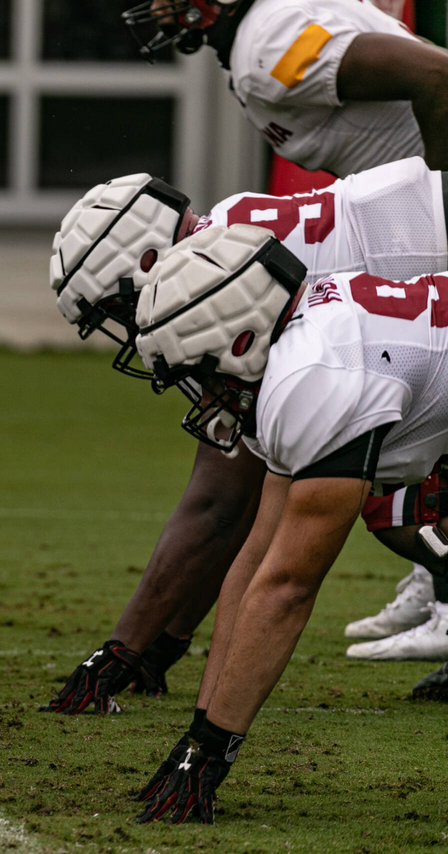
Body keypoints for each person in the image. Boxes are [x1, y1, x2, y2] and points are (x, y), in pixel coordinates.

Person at [45, 156, 448, 712]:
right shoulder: (230, 232)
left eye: (120, 306)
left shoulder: (231, 280)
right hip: (424, 277)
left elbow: (218, 510)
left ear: (149, 261)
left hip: (429, 261)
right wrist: (165, 640)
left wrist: (125, 650)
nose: (129, 327)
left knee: (400, 508)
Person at [132, 223, 448, 823]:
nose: (203, 397)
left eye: (201, 372)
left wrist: (212, 757)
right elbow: (254, 561)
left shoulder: (310, 376)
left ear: (241, 337)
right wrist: (198, 737)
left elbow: (288, 590)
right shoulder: (300, 348)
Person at [123, 0, 448, 174]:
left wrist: (437, 202)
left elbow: (437, 74)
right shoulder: (258, 35)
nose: (156, 9)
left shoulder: (269, 41)